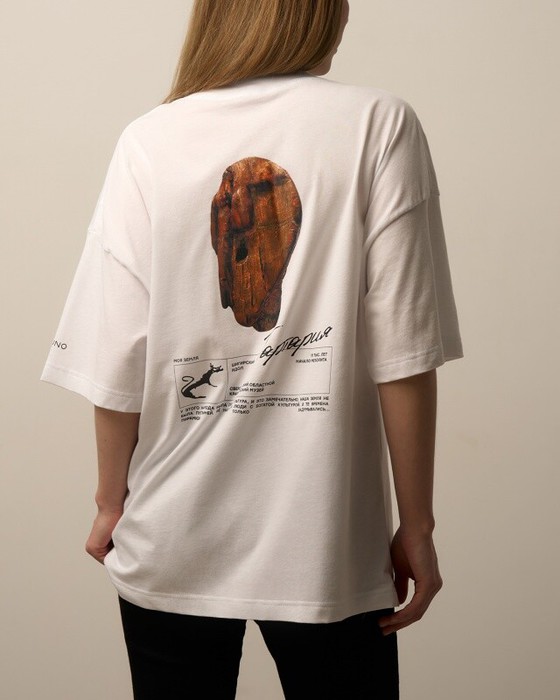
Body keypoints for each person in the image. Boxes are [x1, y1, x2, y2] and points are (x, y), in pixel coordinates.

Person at [39, 0, 464, 697]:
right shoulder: (378, 124)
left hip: (170, 532)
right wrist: (416, 523)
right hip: (325, 543)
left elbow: (118, 357)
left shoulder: (149, 140)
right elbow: (405, 350)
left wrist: (110, 500)